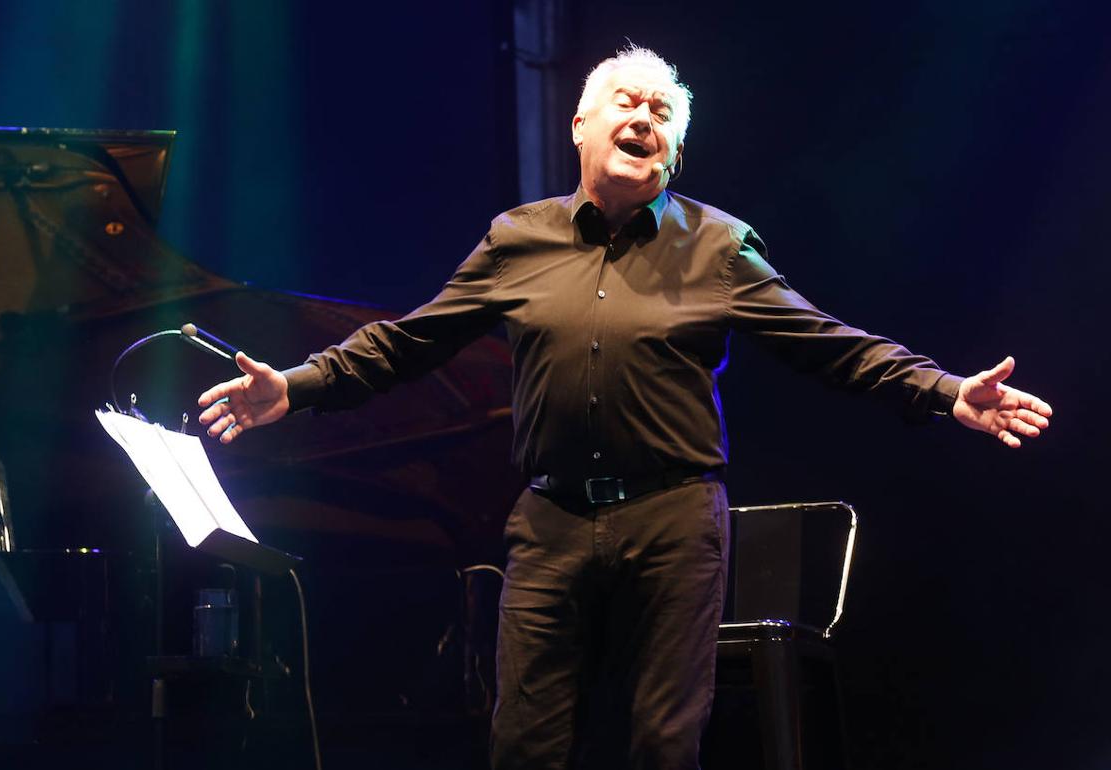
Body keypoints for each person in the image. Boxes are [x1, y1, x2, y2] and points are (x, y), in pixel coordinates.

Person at [197, 45, 1052, 770]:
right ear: (581, 124)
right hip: (551, 520)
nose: (642, 117)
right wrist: (296, 386)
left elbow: (828, 342)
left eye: (661, 112)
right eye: (624, 101)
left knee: (663, 746)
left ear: (673, 150)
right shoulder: (516, 240)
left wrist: (945, 394)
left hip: (673, 521)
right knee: (523, 743)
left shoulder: (718, 246)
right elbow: (409, 341)